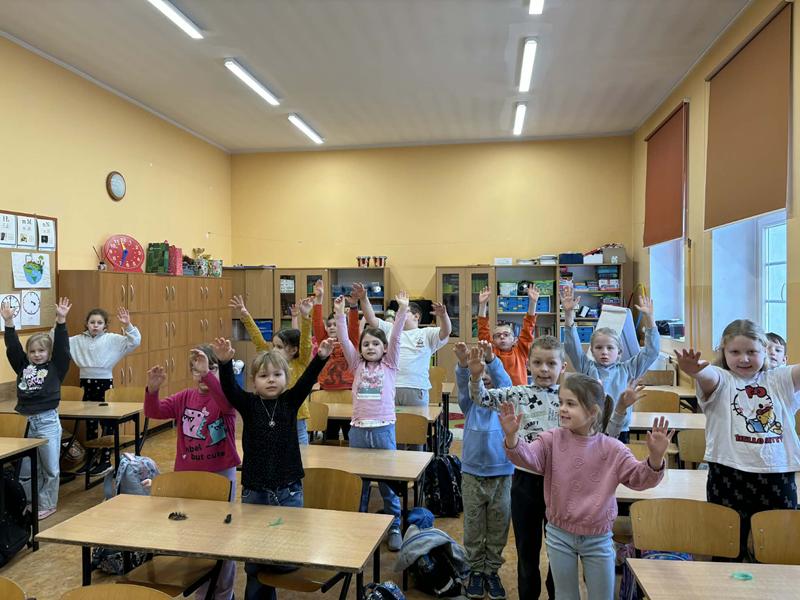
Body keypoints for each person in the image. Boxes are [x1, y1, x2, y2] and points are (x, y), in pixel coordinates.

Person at [499, 374, 672, 600]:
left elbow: (640, 479)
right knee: (565, 595)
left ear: (592, 412)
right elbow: (527, 458)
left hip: (598, 538)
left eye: (571, 404)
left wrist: (656, 458)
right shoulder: (551, 439)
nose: (562, 408)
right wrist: (512, 438)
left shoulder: (613, 449)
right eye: (561, 402)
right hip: (559, 534)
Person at [212, 335, 331, 600]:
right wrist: (224, 363)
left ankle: (276, 565)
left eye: (277, 375)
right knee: (255, 562)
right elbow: (230, 389)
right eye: (264, 376)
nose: (271, 380)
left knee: (283, 556)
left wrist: (320, 358)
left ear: (286, 378)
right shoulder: (249, 404)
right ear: (254, 381)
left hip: (288, 492)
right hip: (256, 493)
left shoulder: (290, 401)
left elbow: (307, 380)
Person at [675, 319, 800, 560]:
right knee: (727, 548)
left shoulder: (779, 379)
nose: (744, 359)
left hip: (776, 474)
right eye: (735, 352)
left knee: (780, 550)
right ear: (723, 351)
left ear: (765, 350)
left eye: (752, 352)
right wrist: (696, 370)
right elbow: (709, 376)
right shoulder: (722, 379)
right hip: (728, 474)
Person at [469, 335, 566, 600]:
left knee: (560, 552)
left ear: (563, 367)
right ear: (528, 364)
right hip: (525, 482)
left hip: (561, 484)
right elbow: (482, 399)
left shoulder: (569, 397)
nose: (544, 369)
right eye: (538, 363)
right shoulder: (517, 393)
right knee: (527, 551)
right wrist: (476, 376)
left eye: (551, 363)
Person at [144, 346, 240, 600]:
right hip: (189, 478)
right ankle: (203, 592)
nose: (202, 373)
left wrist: (208, 373)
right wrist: (152, 390)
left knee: (221, 537)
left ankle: (224, 594)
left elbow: (226, 403)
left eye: (210, 368)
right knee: (195, 537)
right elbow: (154, 412)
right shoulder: (184, 397)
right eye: (196, 369)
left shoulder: (225, 397)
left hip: (220, 475)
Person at [336, 291, 408, 551]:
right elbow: (344, 339)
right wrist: (340, 314)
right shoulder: (356, 365)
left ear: (384, 348)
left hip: (383, 429)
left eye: (375, 344)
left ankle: (395, 525)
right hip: (358, 430)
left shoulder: (390, 365)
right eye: (365, 344)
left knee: (387, 481)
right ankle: (360, 522)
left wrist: (402, 310)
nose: (370, 347)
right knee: (359, 481)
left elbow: (396, 336)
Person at [2, 297, 72, 520]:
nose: (37, 354)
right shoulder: (23, 366)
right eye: (32, 351)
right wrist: (9, 322)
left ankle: (47, 503)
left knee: (49, 467)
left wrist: (61, 321)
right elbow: (13, 348)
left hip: (47, 421)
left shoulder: (56, 367)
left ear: (49, 353)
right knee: (26, 469)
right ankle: (28, 501)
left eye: (41, 351)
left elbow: (62, 348)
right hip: (25, 421)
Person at [561, 288, 660, 442]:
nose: (604, 352)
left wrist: (649, 318)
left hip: (620, 430)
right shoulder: (588, 368)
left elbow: (651, 352)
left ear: (619, 352)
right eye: (599, 348)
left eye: (610, 348)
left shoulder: (628, 369)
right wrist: (568, 314)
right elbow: (572, 347)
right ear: (592, 351)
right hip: (590, 429)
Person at [456, 341, 513, 600]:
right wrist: (464, 366)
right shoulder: (469, 404)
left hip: (502, 475)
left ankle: (492, 570)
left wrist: (491, 361)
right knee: (473, 525)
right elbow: (463, 385)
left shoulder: (504, 404)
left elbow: (504, 382)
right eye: (480, 374)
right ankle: (476, 570)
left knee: (499, 526)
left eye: (489, 373)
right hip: (472, 474)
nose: (486, 377)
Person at [229, 294, 314, 444]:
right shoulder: (270, 362)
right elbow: (258, 340)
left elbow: (306, 343)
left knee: (302, 452)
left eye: (279, 347)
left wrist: (305, 317)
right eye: (273, 345)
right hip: (275, 413)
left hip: (297, 418)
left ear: (294, 350)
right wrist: (245, 315)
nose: (274, 350)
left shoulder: (300, 363)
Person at [69, 306, 141, 474]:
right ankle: (91, 459)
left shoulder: (112, 339)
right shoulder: (78, 340)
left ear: (105, 325)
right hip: (86, 383)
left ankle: (106, 460)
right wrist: (60, 319)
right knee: (90, 423)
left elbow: (134, 341)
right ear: (86, 324)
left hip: (105, 384)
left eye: (99, 323)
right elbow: (58, 343)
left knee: (107, 422)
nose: (95, 325)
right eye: (92, 322)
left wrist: (127, 324)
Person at [359, 283, 451, 408]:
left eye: (405, 310)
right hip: (390, 387)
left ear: (416, 316)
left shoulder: (426, 333)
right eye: (399, 311)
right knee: (390, 419)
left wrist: (444, 316)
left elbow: (446, 332)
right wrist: (364, 299)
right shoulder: (390, 328)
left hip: (416, 388)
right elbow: (371, 319)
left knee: (416, 420)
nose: (400, 313)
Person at [311, 279, 360, 442]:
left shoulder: (350, 342)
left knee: (348, 436)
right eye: (329, 325)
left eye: (336, 324)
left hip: (347, 392)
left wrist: (353, 307)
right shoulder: (324, 341)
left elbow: (354, 326)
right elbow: (316, 323)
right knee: (330, 436)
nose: (333, 327)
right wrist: (318, 300)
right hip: (327, 393)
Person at [477, 284, 539, 385]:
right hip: (498, 392)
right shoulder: (492, 352)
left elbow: (528, 328)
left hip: (518, 392)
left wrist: (533, 302)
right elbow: (482, 330)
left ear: (514, 340)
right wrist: (483, 304)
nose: (502, 337)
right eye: (498, 336)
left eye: (506, 334)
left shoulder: (520, 351)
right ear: (493, 341)